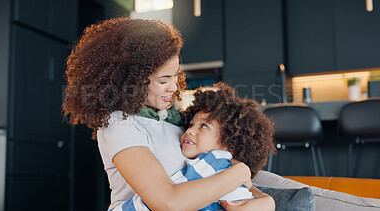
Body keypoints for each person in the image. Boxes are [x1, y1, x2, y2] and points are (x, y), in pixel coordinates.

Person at [63, 17, 275, 211]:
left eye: (175, 75)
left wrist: (265, 200)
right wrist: (239, 172)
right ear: (131, 82)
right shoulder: (120, 124)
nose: (173, 87)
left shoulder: (179, 121)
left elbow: (221, 173)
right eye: (163, 80)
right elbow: (168, 203)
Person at [113, 82, 276, 211]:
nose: (189, 131)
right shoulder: (227, 167)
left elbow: (148, 204)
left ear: (231, 145)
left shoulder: (211, 162)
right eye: (191, 125)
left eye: (204, 127)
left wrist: (266, 200)